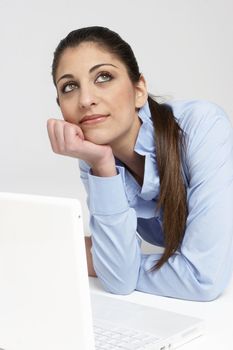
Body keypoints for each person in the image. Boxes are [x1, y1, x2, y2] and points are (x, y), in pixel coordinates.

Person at [47, 26, 233, 301]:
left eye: (103, 77)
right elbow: (118, 281)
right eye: (70, 87)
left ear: (139, 90)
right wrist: (102, 166)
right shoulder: (95, 159)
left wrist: (115, 262)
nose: (86, 100)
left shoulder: (201, 127)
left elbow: (202, 279)